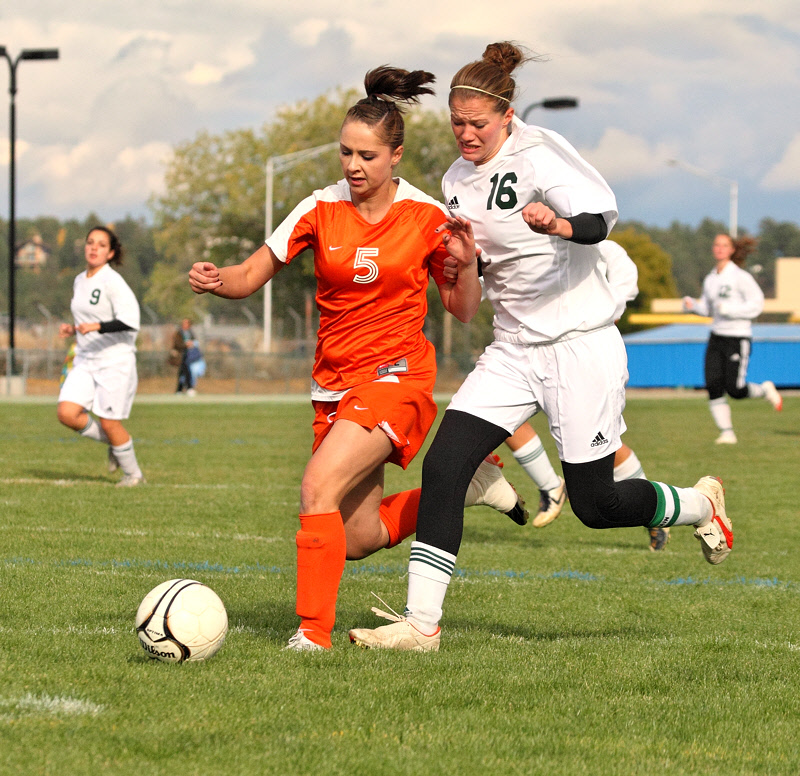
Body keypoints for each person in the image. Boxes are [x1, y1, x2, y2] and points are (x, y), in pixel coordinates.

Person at [348, 42, 732, 653]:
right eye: (456, 122)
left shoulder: (540, 151)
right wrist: (464, 264)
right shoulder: (454, 181)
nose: (465, 134)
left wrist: (556, 224)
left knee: (596, 504)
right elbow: (470, 295)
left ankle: (697, 505)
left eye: (477, 123)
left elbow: (601, 219)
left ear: (505, 115)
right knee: (446, 465)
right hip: (513, 349)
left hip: (579, 346)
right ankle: (421, 627)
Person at [189, 66, 526, 652]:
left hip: (397, 379)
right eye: (345, 152)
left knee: (316, 487)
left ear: (395, 155)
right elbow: (249, 275)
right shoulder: (319, 208)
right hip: (333, 387)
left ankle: (311, 636)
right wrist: (219, 280)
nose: (352, 166)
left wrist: (467, 262)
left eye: (367, 155)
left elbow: (463, 309)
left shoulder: (427, 216)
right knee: (361, 535)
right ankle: (464, 490)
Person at [503, 239, 668, 551]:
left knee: (605, 447)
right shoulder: (528, 242)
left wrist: (599, 314)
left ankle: (653, 517)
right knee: (499, 420)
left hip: (584, 358)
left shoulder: (605, 248)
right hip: (530, 352)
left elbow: (622, 288)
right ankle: (551, 487)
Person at [57, 226, 145, 487]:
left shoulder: (113, 282)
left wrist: (98, 326)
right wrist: (72, 328)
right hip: (86, 357)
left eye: (101, 245)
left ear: (110, 253)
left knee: (109, 422)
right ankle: (116, 445)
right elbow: (87, 318)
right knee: (67, 413)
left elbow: (131, 321)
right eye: (90, 242)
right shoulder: (79, 280)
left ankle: (134, 475)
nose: (94, 248)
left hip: (114, 360)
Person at [683, 233, 782, 444]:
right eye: (716, 244)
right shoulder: (711, 278)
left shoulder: (740, 277)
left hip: (737, 337)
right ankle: (727, 432)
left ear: (731, 250)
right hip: (716, 336)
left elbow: (757, 305)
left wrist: (731, 309)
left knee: (735, 390)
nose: (719, 248)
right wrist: (693, 307)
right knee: (713, 384)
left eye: (724, 245)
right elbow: (709, 309)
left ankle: (764, 389)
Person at [173, 318, 199, 396]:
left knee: (186, 372)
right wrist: (185, 345)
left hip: (189, 355)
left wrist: (192, 343)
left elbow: (195, 341)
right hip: (181, 355)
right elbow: (177, 344)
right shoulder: (179, 333)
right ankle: (183, 389)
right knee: (184, 372)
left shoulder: (190, 333)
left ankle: (183, 389)